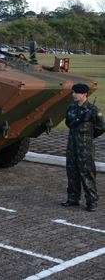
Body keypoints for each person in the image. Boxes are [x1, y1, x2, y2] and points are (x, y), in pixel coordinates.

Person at [62, 83, 105, 212]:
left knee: (87, 173)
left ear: (84, 94)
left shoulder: (93, 110)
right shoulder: (71, 107)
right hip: (72, 145)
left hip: (85, 147)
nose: (74, 95)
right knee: (72, 172)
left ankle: (91, 201)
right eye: (73, 92)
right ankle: (73, 198)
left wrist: (87, 137)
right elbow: (68, 123)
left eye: (76, 93)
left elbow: (101, 127)